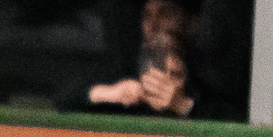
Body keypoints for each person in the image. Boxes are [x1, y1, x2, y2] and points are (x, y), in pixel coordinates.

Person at [53, 34, 209, 120]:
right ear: (143, 76)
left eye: (175, 75)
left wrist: (183, 107)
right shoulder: (133, 105)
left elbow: (226, 120)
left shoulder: (202, 102)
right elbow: (63, 101)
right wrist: (110, 94)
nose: (166, 83)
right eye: (158, 74)